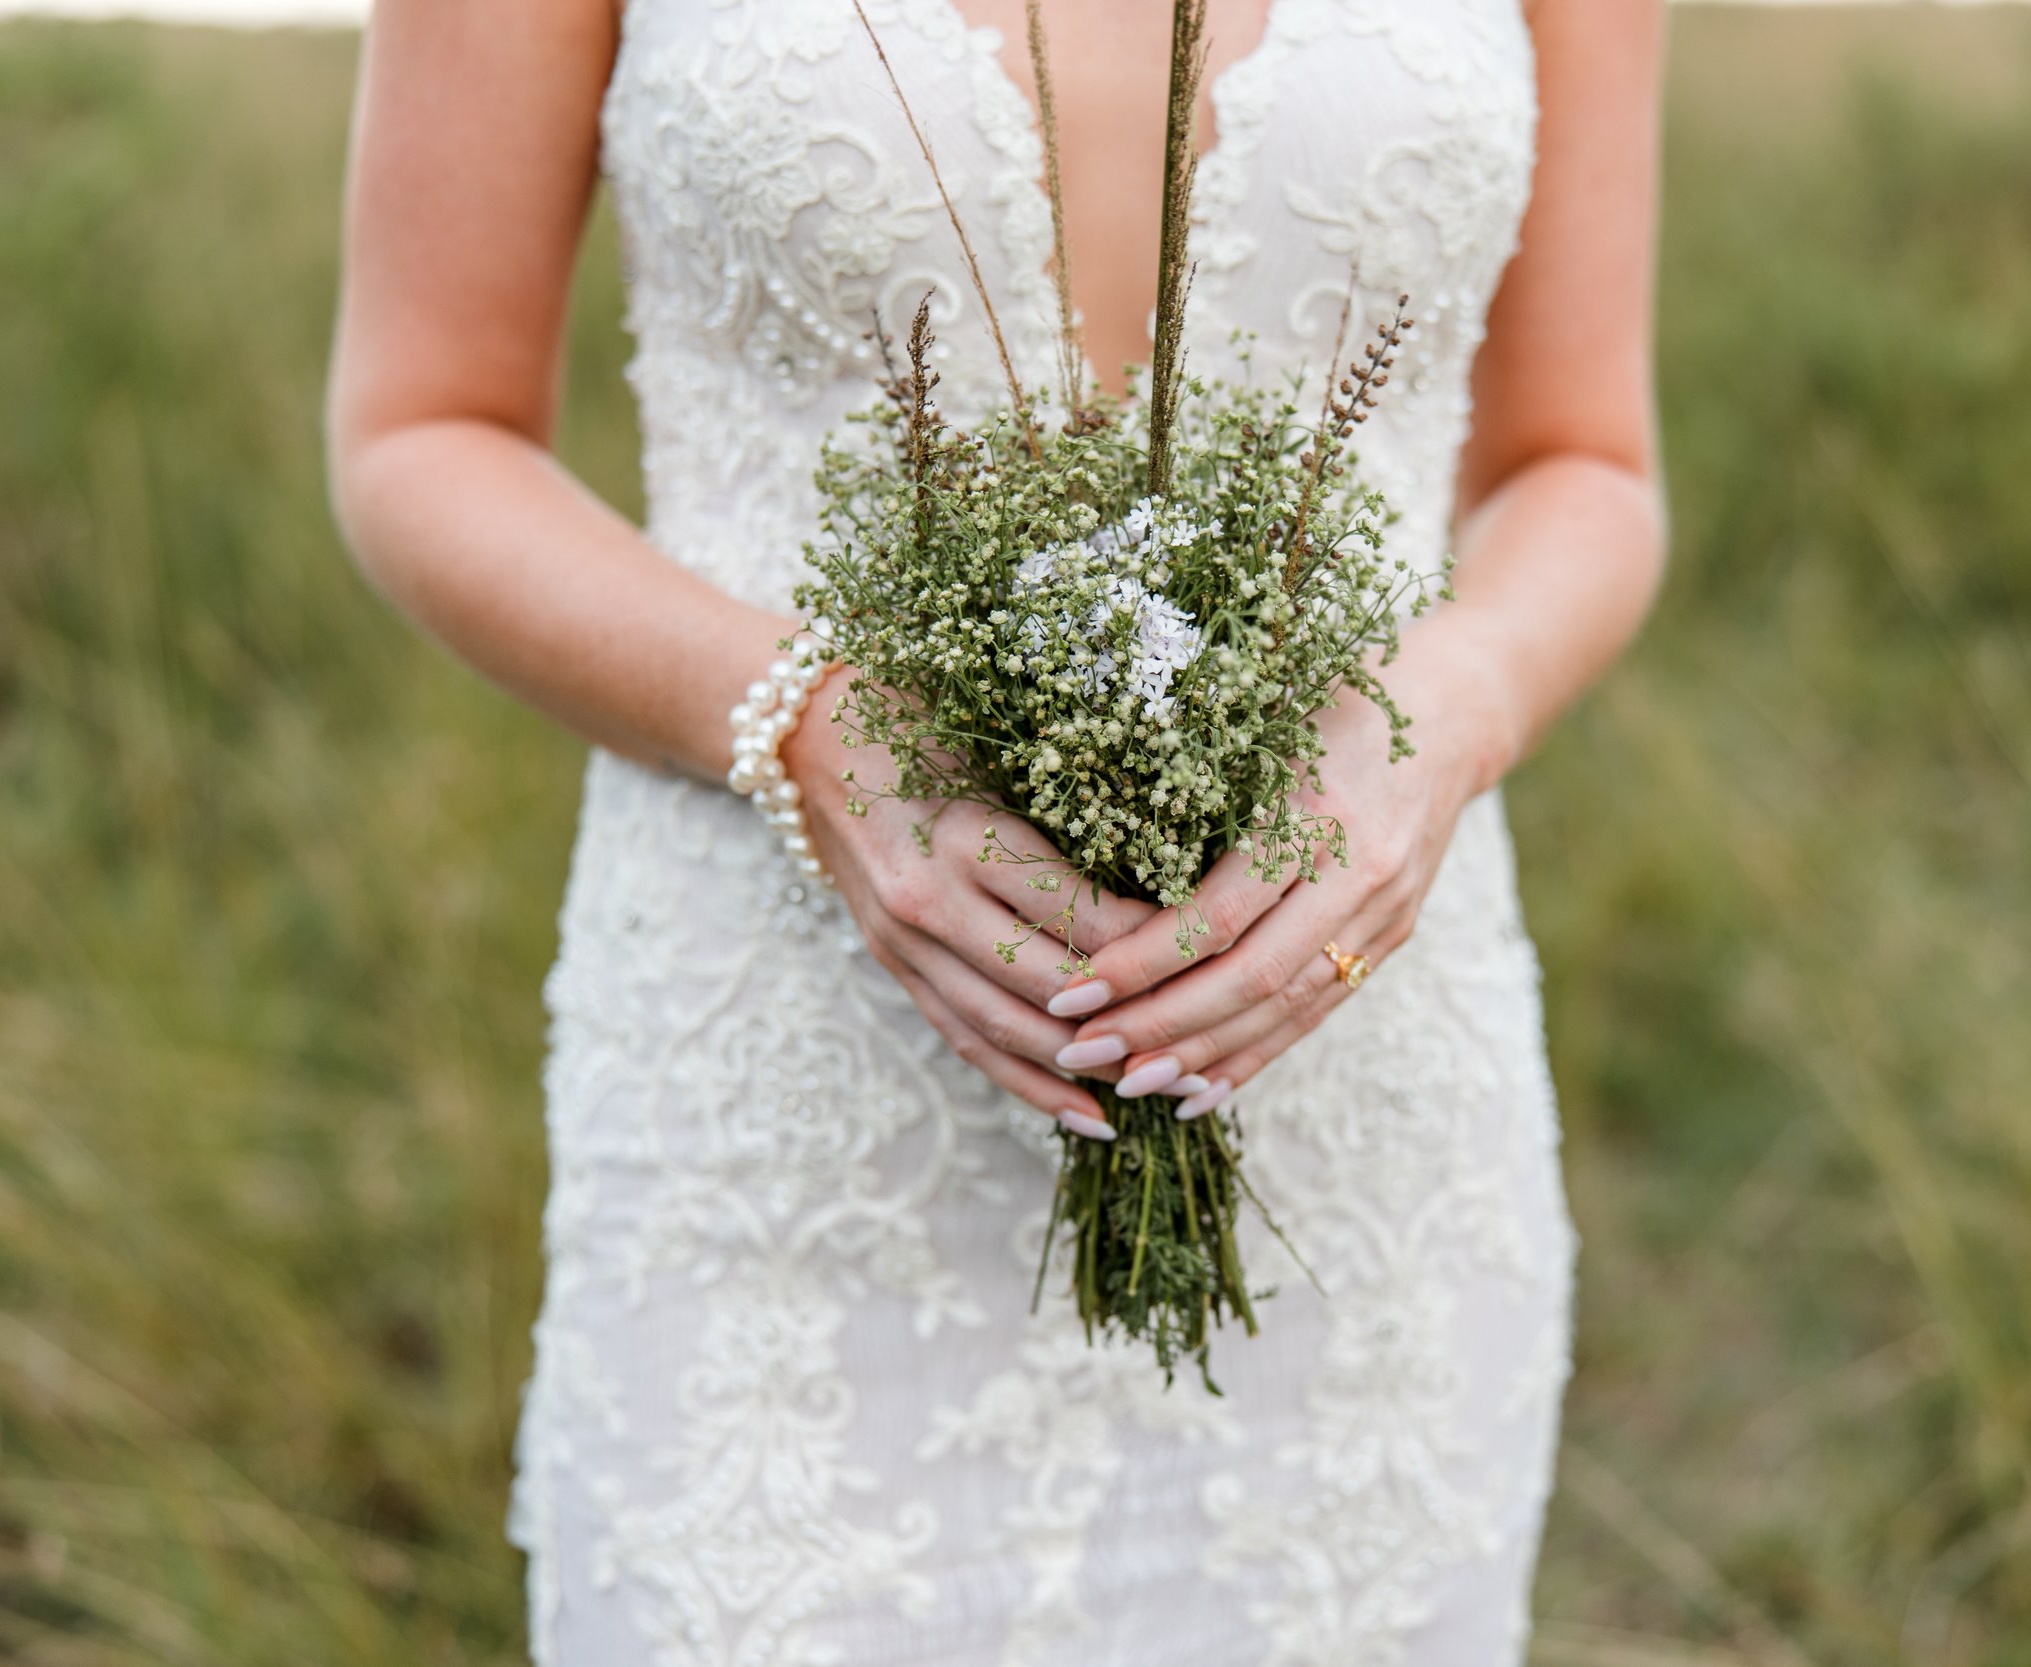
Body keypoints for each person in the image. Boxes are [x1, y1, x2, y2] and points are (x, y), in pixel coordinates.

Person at [325, 0, 1665, 1660]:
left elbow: (1584, 459)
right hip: (783, 1133)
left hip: (1358, 1106)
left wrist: (1440, 725)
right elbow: (420, 426)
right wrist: (809, 727)